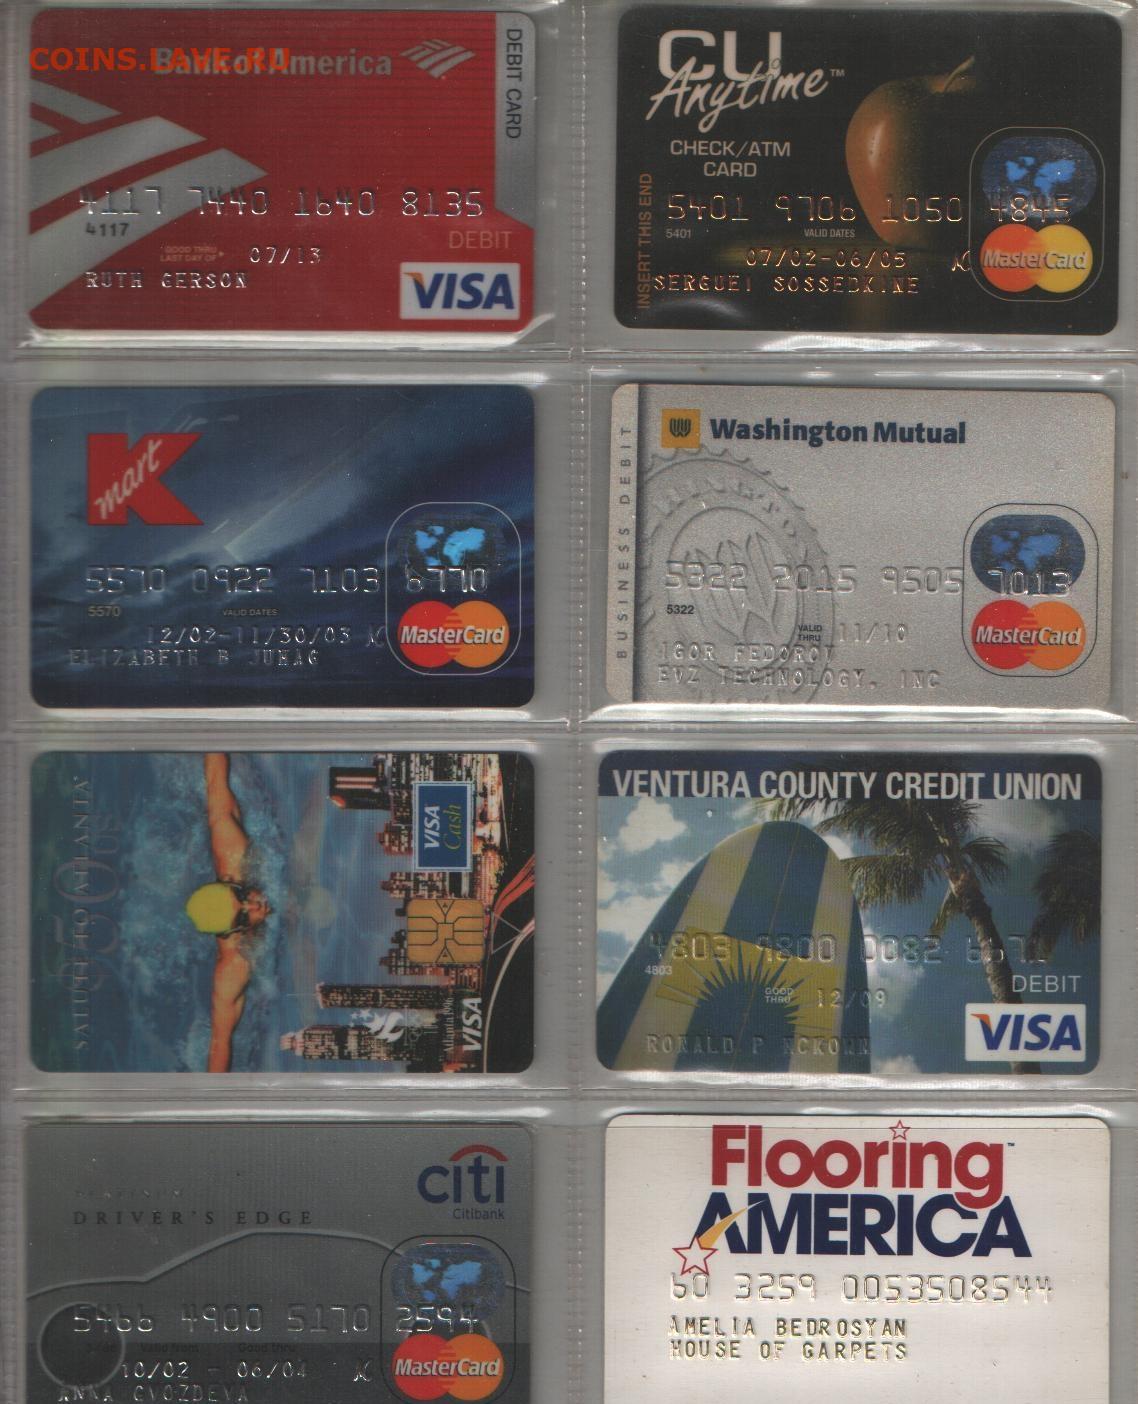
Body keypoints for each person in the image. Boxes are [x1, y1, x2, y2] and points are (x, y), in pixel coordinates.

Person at [183, 753, 272, 1071]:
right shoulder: (234, 964)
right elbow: (220, 1043)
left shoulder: (233, 853)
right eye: (243, 916)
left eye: (242, 896)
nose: (255, 905)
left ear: (229, 882)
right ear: (231, 932)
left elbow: (215, 780)